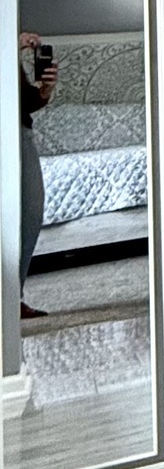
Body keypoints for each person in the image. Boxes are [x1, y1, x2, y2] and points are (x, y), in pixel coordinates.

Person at [17, 33, 58, 318]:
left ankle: (12, 298)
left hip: (19, 132)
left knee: (31, 213)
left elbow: (24, 101)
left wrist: (44, 91)